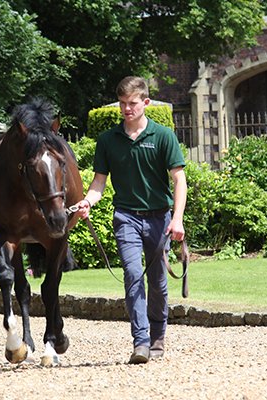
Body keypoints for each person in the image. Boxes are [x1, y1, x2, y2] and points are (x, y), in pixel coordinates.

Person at [74, 76, 187, 364]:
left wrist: (177, 219)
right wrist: (87, 201)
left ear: (145, 102)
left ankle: (158, 336)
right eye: (122, 103)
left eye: (133, 103)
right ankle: (141, 342)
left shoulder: (163, 136)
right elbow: (99, 183)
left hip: (160, 218)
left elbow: (179, 180)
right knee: (133, 274)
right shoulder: (108, 140)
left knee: (158, 282)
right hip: (126, 217)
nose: (127, 109)